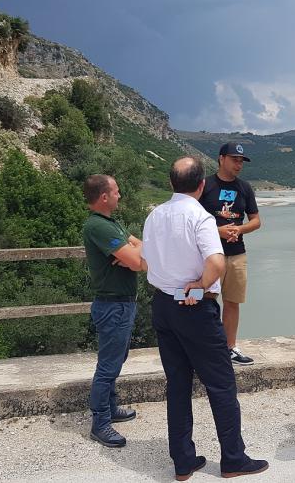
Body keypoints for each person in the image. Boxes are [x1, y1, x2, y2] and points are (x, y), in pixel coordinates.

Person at [142, 156, 268, 480]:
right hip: (195, 306)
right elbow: (217, 262)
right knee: (221, 384)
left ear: (171, 183)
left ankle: (183, 462)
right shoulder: (200, 217)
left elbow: (145, 261)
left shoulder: (154, 216)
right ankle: (233, 459)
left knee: (178, 385)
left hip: (162, 306)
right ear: (201, 185)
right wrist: (198, 285)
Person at [82, 174, 146, 448]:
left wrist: (135, 257)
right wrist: (133, 257)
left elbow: (142, 250)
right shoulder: (99, 226)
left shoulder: (112, 223)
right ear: (104, 197)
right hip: (113, 304)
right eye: (117, 192)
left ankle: (110, 406)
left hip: (121, 302)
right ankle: (100, 422)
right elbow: (139, 261)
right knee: (108, 365)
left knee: (116, 359)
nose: (121, 196)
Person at [199, 142, 261, 366]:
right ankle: (204, 346)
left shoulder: (244, 188)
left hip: (236, 254)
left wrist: (239, 229)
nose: (239, 164)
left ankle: (229, 347)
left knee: (233, 301)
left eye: (241, 161)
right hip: (207, 255)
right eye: (235, 159)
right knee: (204, 300)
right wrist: (219, 231)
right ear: (221, 158)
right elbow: (192, 221)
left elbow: (256, 221)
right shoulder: (204, 185)